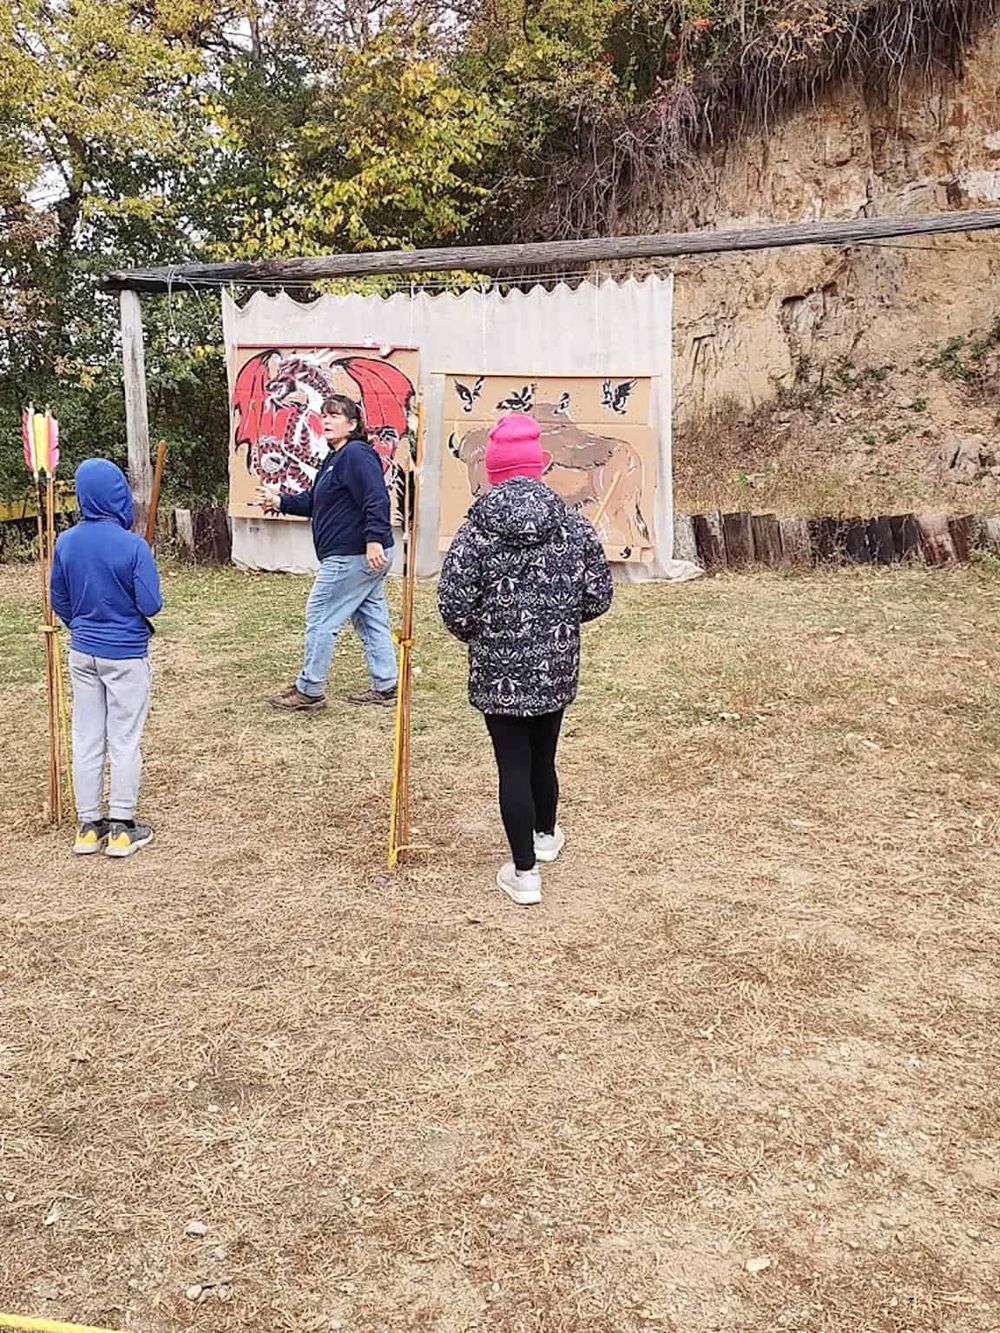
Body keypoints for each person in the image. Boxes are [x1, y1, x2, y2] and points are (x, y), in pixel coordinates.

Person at [437, 412, 613, 906]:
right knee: (543, 754)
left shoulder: (475, 532)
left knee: (513, 764)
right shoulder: (573, 525)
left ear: (493, 471)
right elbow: (598, 595)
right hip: (555, 662)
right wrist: (559, 622)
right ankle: (544, 836)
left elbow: (454, 605)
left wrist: (483, 635)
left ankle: (525, 872)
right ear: (540, 467)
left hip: (498, 668)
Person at [50, 459, 162, 858]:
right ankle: (121, 828)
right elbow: (151, 604)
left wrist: (83, 625)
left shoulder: (65, 542)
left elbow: (59, 599)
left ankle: (88, 826)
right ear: (118, 496)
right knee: (124, 738)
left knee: (87, 736)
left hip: (83, 652)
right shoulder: (133, 546)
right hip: (126, 654)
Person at [258, 394, 398, 711]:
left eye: (335, 415)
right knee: (370, 617)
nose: (327, 420)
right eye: (324, 415)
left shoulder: (357, 454)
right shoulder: (334, 458)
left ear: (353, 424)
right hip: (360, 555)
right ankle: (387, 685)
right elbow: (314, 502)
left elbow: (376, 497)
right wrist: (280, 500)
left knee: (320, 616)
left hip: (354, 555)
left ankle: (310, 689)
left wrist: (374, 539)